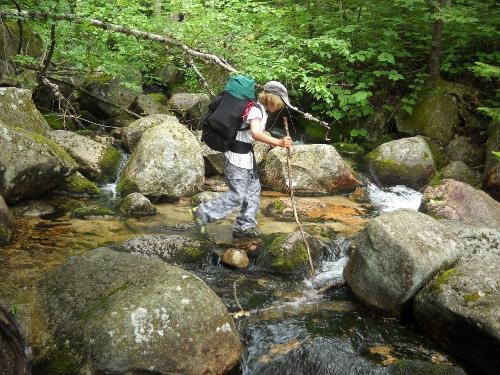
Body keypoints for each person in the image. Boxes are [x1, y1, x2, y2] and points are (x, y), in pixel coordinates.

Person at [190, 81, 293, 238]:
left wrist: (271, 144)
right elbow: (255, 134)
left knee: (253, 190)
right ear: (272, 98)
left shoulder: (261, 111)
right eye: (281, 102)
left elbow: (250, 136)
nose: (281, 106)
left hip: (246, 157)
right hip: (236, 159)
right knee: (238, 195)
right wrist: (277, 142)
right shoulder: (256, 111)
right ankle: (201, 214)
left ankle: (244, 226)